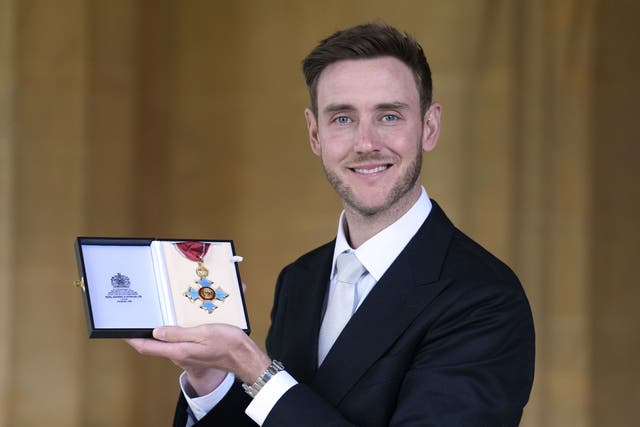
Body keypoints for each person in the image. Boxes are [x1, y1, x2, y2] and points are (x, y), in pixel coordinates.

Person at [128, 21, 535, 426]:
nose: (365, 143)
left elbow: (277, 397)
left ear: (429, 127)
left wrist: (253, 367)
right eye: (343, 119)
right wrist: (211, 373)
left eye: (389, 116)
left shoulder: (485, 298)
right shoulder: (300, 280)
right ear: (314, 134)